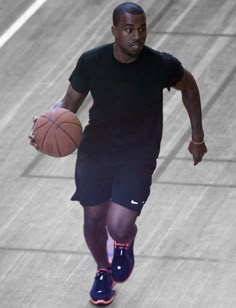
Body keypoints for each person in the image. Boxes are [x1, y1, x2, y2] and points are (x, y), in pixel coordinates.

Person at [30, 2, 207, 305]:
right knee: (94, 219)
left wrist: (197, 136)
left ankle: (123, 242)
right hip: (96, 150)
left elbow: (189, 87)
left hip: (138, 154)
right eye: (128, 29)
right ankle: (102, 270)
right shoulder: (92, 62)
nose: (137, 35)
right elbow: (69, 103)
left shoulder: (161, 65)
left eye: (141, 28)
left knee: (118, 224)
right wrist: (45, 124)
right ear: (114, 31)